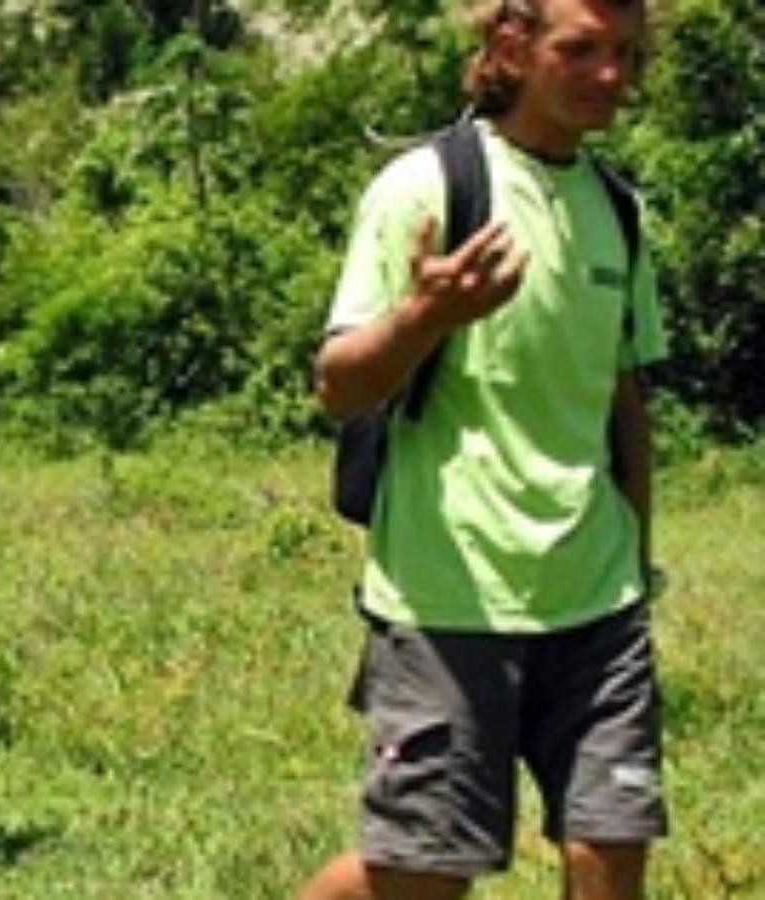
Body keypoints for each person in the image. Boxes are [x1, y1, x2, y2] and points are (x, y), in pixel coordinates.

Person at [302, 1, 666, 898]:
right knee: (422, 876)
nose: (612, 75)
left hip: (598, 597)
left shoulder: (618, 209)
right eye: (581, 50)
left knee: (612, 855)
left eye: (628, 53)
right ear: (512, 47)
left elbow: (625, 402)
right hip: (448, 596)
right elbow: (340, 383)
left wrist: (640, 562)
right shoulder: (426, 189)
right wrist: (427, 316)